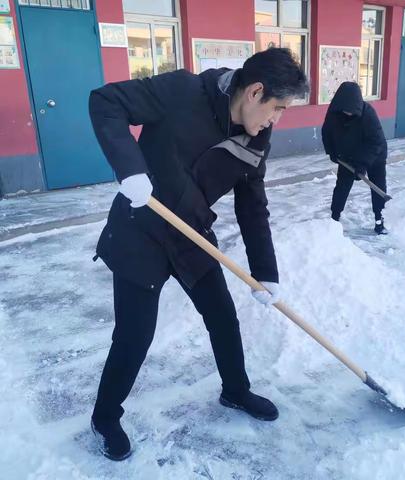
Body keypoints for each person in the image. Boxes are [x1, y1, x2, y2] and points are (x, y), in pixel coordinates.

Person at [88, 48, 309, 461]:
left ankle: (236, 391)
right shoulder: (182, 91)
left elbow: (251, 202)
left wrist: (266, 272)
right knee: (135, 335)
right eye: (278, 108)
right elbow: (106, 100)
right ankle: (105, 417)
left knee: (223, 316)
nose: (276, 119)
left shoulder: (256, 135)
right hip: (141, 227)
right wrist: (129, 168)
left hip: (191, 233)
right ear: (255, 92)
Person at [321, 81, 388, 234]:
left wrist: (362, 165)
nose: (349, 114)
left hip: (374, 155)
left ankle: (380, 221)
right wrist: (331, 152)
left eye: (352, 111)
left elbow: (376, 142)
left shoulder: (368, 114)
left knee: (378, 187)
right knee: (342, 187)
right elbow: (326, 133)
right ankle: (333, 220)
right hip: (348, 157)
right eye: (346, 110)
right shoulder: (334, 113)